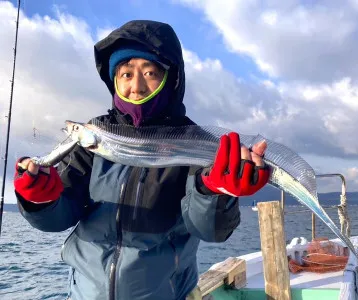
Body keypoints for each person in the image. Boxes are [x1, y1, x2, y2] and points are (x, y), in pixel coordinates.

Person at [13, 20, 270, 300]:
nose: (136, 86)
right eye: (125, 74)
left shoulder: (192, 141)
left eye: (149, 72)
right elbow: (59, 218)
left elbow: (209, 230)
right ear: (113, 81)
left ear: (170, 79)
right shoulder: (94, 135)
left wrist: (215, 191)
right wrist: (40, 199)